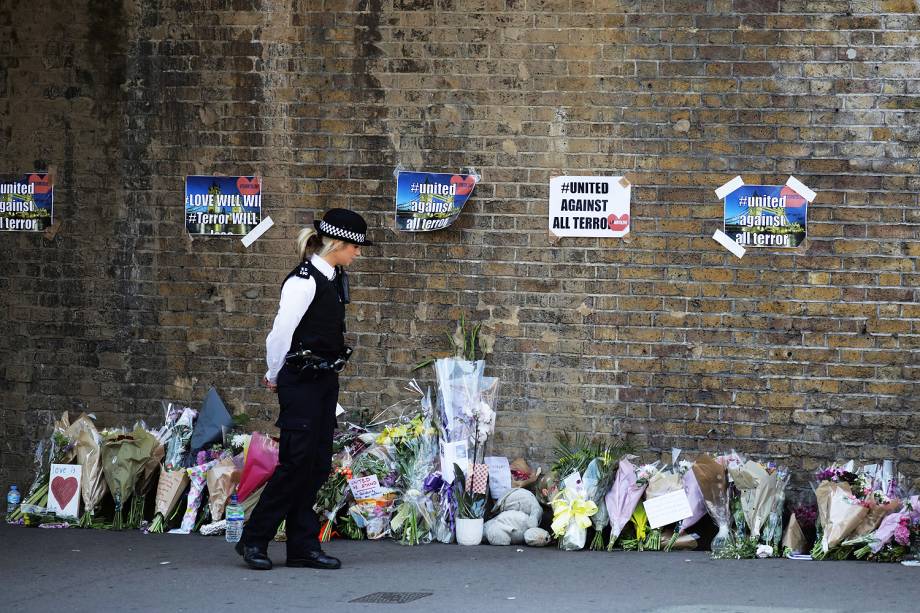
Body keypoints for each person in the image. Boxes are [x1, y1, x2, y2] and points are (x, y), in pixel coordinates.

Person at [235, 208, 371, 571]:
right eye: (354, 247)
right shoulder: (303, 281)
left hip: (324, 380)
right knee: (295, 463)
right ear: (338, 244)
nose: (357, 254)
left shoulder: (333, 276)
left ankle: (301, 545)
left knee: (315, 465)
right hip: (299, 380)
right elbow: (279, 334)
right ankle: (254, 538)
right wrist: (274, 374)